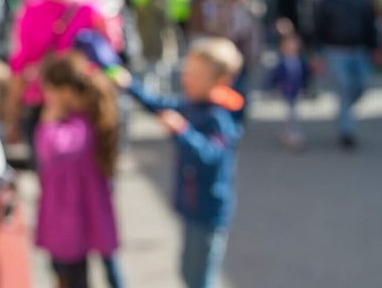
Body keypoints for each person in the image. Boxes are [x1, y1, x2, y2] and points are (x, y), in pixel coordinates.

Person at [120, 39, 244, 288]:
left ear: (219, 81)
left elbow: (211, 157)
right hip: (190, 206)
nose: (187, 79)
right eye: (187, 72)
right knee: (188, 271)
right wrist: (129, 85)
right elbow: (157, 105)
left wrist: (183, 131)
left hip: (208, 211)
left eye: (196, 75)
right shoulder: (191, 104)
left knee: (200, 276)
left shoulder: (219, 118)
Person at [6, 0, 112, 156]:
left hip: (80, 105)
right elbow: (19, 62)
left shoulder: (91, 9)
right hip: (40, 102)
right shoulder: (31, 8)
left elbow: (105, 60)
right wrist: (12, 113)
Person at [35, 52, 122, 288]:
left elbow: (51, 153)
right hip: (73, 217)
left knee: (72, 276)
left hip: (70, 220)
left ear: (64, 92)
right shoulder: (85, 120)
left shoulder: (77, 126)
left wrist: (49, 121)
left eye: (48, 92)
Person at [311, 0, 380, 149]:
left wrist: (374, 47)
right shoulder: (325, 1)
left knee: (361, 86)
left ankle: (344, 112)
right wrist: (317, 52)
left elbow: (370, 24)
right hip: (335, 51)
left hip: (358, 50)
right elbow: (318, 28)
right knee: (343, 87)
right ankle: (346, 131)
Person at [266, 21, 311, 150]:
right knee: (291, 113)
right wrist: (269, 88)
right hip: (286, 91)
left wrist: (308, 87)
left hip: (296, 91)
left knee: (293, 113)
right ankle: (292, 134)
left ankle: (291, 132)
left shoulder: (301, 62)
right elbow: (273, 77)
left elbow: (306, 76)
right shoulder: (281, 63)